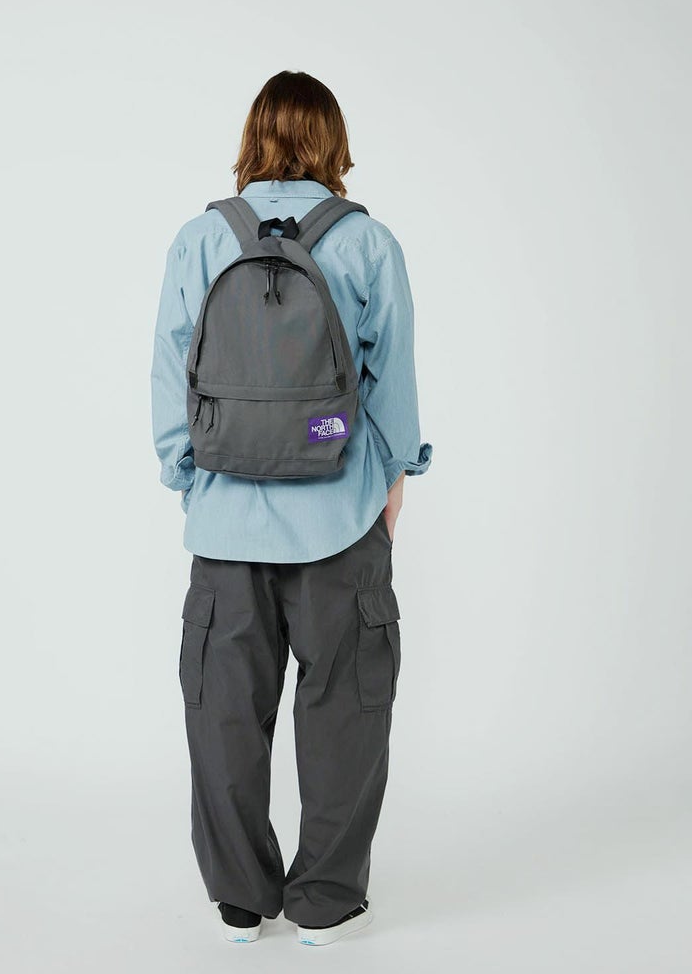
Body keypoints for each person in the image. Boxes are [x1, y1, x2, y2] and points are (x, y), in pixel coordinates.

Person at [150, 70, 433, 946]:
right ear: (333, 142)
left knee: (224, 713)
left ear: (253, 138)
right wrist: (390, 485)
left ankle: (241, 901)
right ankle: (325, 903)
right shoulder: (368, 242)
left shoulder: (203, 239)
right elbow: (393, 391)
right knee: (346, 710)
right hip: (340, 519)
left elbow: (170, 377)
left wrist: (192, 481)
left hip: (225, 524)